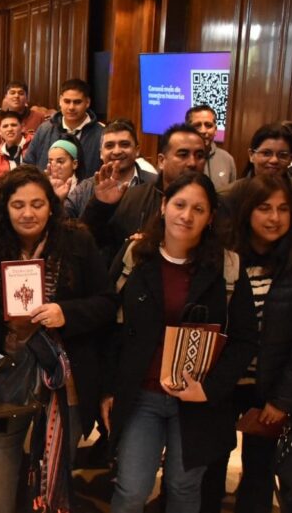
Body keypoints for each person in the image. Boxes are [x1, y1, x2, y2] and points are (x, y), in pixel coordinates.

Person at [0, 165, 114, 513]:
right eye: (18, 205)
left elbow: (106, 303)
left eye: (38, 204)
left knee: (49, 487)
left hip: (63, 386)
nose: (28, 213)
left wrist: (66, 313)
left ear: (52, 206)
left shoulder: (77, 241)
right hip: (3, 383)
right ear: (4, 208)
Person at [102, 172, 258, 513]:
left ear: (211, 217)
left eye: (199, 209)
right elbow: (110, 325)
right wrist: (109, 389)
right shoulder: (136, 256)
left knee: (184, 488)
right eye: (180, 205)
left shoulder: (228, 267)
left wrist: (210, 389)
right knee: (131, 488)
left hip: (197, 399)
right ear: (163, 206)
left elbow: (245, 339)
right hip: (142, 394)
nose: (187, 216)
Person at [200, 175, 292, 513]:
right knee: (209, 466)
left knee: (259, 472)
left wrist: (283, 399)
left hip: (271, 386)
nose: (274, 218)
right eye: (264, 208)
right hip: (223, 382)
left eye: (283, 209)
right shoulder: (223, 256)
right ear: (246, 212)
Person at [81, 123, 207, 265]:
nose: (192, 163)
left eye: (199, 155)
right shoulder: (133, 198)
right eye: (183, 154)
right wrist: (101, 206)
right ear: (161, 161)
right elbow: (89, 243)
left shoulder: (214, 205)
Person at [220, 122, 292, 226]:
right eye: (266, 153)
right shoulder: (227, 196)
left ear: (291, 159)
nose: (274, 160)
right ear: (251, 155)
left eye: (282, 155)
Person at [65, 119, 155, 219]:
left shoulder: (155, 185)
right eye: (109, 146)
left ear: (137, 151)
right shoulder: (84, 189)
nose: (116, 151)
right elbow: (63, 225)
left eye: (124, 144)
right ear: (101, 153)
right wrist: (55, 200)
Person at [24, 79, 103, 180]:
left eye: (77, 102)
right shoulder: (45, 129)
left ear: (87, 102)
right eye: (67, 101)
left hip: (86, 194)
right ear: (60, 100)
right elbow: (28, 165)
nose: (71, 107)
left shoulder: (100, 134)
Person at [187, 105, 236, 189]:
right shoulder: (178, 157)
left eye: (208, 125)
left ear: (215, 130)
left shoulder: (227, 159)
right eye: (197, 125)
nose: (203, 131)